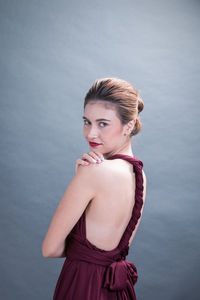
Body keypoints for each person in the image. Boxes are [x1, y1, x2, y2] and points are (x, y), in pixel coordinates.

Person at [42, 77, 147, 299]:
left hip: (83, 286)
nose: (90, 134)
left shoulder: (93, 172)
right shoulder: (139, 174)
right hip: (116, 290)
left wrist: (81, 178)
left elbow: (50, 249)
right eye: (87, 121)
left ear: (128, 126)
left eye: (103, 123)